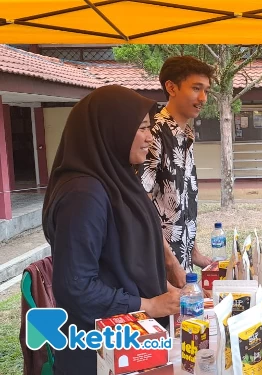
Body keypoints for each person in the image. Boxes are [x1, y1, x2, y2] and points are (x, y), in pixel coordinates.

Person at [42, 85, 180, 374]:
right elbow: (77, 289)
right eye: (141, 128)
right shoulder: (84, 195)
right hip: (99, 354)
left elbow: (123, 257)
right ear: (110, 131)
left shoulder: (116, 181)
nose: (149, 137)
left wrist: (164, 287)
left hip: (132, 344)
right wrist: (149, 305)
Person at [139, 56, 215, 288]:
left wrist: (193, 252)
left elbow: (178, 203)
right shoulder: (154, 134)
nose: (203, 98)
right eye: (196, 88)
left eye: (206, 90)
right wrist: (171, 263)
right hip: (158, 266)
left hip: (180, 261)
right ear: (171, 87)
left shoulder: (185, 135)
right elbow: (141, 205)